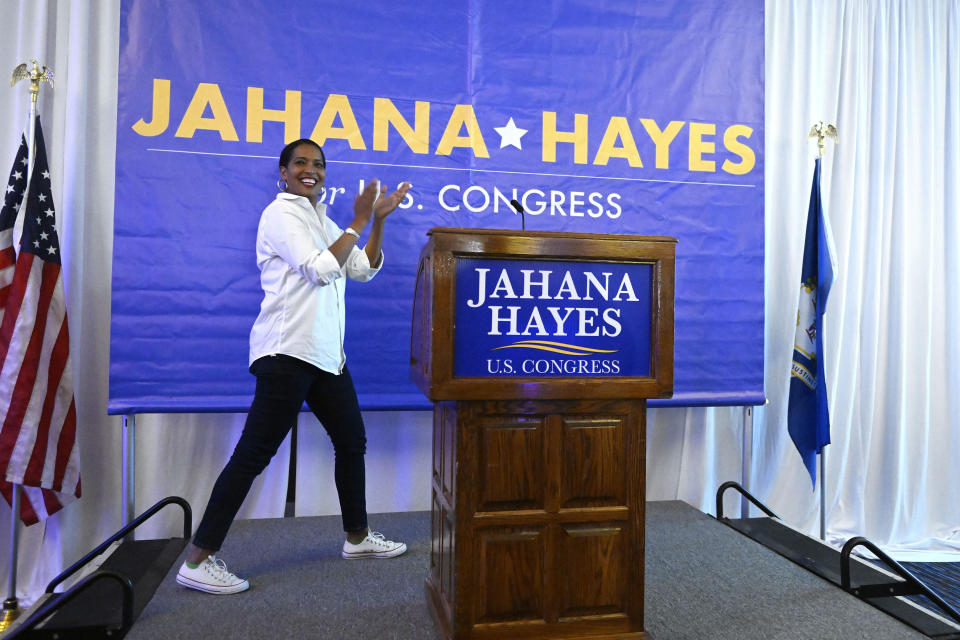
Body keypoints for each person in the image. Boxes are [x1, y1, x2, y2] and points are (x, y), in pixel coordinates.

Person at [176, 138, 412, 594]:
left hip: (326, 357)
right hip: (287, 354)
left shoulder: (320, 219)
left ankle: (358, 537)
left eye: (319, 164)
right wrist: (360, 219)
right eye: (301, 163)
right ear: (282, 172)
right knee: (254, 454)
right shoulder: (280, 214)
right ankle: (197, 560)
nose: (312, 170)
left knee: (351, 440)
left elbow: (361, 269)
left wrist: (377, 222)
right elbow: (319, 269)